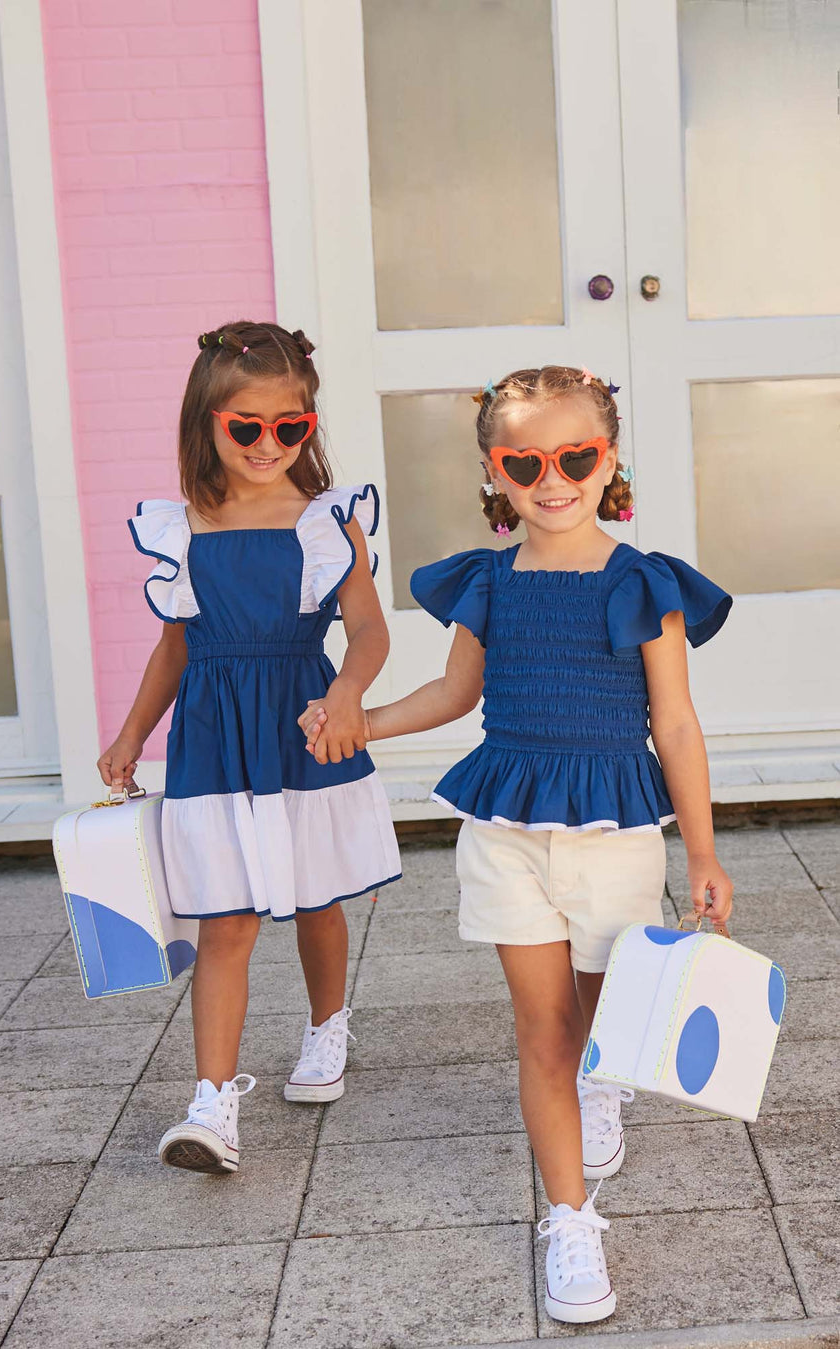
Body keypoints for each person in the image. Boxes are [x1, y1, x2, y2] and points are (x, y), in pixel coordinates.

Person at [301, 364, 733, 1324]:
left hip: (616, 835)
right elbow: (455, 696)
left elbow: (677, 724)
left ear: (608, 458)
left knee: (598, 1019)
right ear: (494, 470)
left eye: (575, 455)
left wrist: (701, 853)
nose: (553, 477)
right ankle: (570, 1218)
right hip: (505, 834)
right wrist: (360, 721)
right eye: (525, 459)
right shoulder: (489, 582)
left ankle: (601, 1083)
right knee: (542, 1032)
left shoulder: (644, 583)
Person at [98, 320, 400, 1176]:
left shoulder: (325, 523)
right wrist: (129, 735)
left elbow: (370, 632)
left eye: (289, 428)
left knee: (315, 895)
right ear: (207, 423)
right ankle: (212, 1101)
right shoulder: (182, 526)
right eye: (247, 427)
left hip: (302, 722)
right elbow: (176, 645)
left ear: (308, 426)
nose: (268, 445)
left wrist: (346, 691)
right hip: (214, 735)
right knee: (222, 916)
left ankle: (326, 1026)